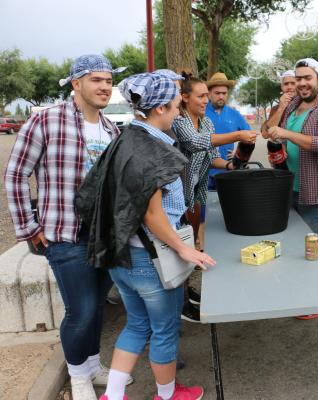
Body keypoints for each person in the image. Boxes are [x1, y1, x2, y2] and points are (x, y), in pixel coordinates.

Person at [76, 72, 216, 400]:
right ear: (160, 108)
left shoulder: (124, 139)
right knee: (164, 330)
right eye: (177, 106)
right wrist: (185, 250)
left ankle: (112, 395)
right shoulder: (154, 149)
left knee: (137, 325)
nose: (180, 112)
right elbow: (152, 214)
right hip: (150, 261)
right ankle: (168, 395)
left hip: (120, 255)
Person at [3, 54, 130, 399]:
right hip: (65, 234)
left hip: (102, 235)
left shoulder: (111, 128)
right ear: (76, 84)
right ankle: (78, 376)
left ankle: (91, 364)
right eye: (96, 80)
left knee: (98, 305)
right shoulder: (46, 120)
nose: (105, 87)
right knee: (82, 310)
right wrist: (28, 227)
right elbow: (16, 175)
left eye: (108, 81)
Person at [266, 58, 318, 320]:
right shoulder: (294, 106)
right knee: (291, 244)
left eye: (307, 78)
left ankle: (314, 301)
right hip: (290, 187)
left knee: (314, 246)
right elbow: (269, 132)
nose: (301, 83)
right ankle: (297, 294)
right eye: (298, 78)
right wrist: (283, 108)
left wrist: (286, 135)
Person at [172, 72, 255, 322]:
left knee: (189, 245)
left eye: (207, 96)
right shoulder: (179, 122)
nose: (206, 100)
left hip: (195, 195)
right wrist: (237, 136)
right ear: (185, 98)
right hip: (176, 198)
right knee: (177, 250)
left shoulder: (206, 123)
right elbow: (197, 143)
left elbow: (210, 157)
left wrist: (230, 165)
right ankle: (180, 304)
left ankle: (186, 293)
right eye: (201, 96)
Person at [205, 72, 259, 188]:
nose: (221, 96)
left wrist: (238, 153)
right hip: (204, 173)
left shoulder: (235, 114)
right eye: (217, 93)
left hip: (228, 172)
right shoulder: (201, 112)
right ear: (209, 94)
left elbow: (251, 136)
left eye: (224, 93)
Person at [262, 70, 297, 168]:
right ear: (282, 87)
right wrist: (281, 108)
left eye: (293, 83)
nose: (289, 87)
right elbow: (265, 134)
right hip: (281, 162)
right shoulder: (276, 108)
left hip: (300, 161)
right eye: (286, 84)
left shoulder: (304, 106)